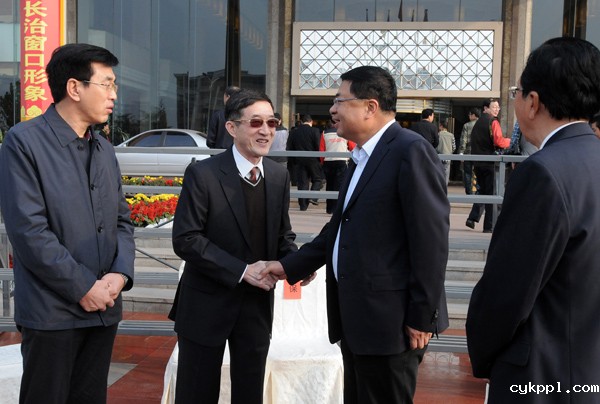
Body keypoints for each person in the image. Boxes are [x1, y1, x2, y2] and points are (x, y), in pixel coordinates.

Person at [263, 66, 450, 404]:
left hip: (392, 324)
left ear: (370, 106)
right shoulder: (362, 155)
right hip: (358, 320)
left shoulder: (410, 151)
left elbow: (431, 242)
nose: (332, 109)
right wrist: (291, 265)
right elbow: (339, 228)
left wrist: (422, 317)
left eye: (340, 100)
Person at [466, 36, 600, 404]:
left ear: (533, 101)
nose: (514, 100)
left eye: (516, 92)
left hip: (543, 377)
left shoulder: (542, 172)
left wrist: (484, 353)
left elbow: (506, 292)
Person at [0, 43, 135, 403]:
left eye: (115, 85)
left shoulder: (103, 148)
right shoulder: (24, 142)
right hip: (52, 313)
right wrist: (83, 287)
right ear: (74, 88)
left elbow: (122, 221)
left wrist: (119, 275)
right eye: (106, 84)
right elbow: (29, 232)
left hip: (103, 308)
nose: (114, 94)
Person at [168, 89, 298, 404]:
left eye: (272, 122)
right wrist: (242, 271)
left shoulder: (278, 175)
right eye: (255, 122)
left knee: (250, 394)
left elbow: (283, 237)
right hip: (205, 304)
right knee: (196, 394)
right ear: (231, 127)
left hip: (256, 307)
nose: (266, 131)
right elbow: (186, 238)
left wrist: (296, 264)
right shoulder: (203, 173)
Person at [465, 98, 510, 233]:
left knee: (483, 191)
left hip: (478, 162)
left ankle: (473, 218)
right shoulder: (493, 121)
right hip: (489, 162)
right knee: (491, 194)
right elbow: (499, 141)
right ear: (486, 108)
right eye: (494, 107)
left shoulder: (477, 123)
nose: (497, 109)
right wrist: (510, 141)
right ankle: (489, 226)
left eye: (498, 107)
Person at [286, 113, 323, 210]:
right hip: (313, 160)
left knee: (302, 183)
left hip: (299, 160)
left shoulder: (294, 132)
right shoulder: (315, 131)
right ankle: (313, 197)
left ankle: (303, 206)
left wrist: (293, 161)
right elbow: (318, 146)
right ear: (311, 122)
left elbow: (289, 147)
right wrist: (319, 159)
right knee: (317, 179)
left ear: (301, 122)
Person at [320, 120, 355, 214]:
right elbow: (352, 147)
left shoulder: (324, 133)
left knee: (329, 185)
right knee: (339, 185)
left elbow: (322, 150)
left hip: (328, 162)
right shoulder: (345, 133)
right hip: (341, 161)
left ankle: (329, 209)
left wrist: (323, 162)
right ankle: (337, 209)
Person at [458, 108, 481, 194]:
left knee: (468, 173)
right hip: (479, 153)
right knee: (478, 173)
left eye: (470, 115)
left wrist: (461, 152)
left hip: (468, 152)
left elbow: (463, 139)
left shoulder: (467, 125)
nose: (469, 116)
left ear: (474, 115)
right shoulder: (482, 124)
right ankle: (478, 191)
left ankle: (469, 192)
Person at [436, 120, 456, 185]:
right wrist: (450, 152)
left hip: (439, 156)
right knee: (446, 174)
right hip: (448, 157)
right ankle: (445, 187)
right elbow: (454, 147)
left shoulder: (438, 135)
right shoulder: (451, 135)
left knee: (439, 173)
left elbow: (435, 145)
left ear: (441, 126)